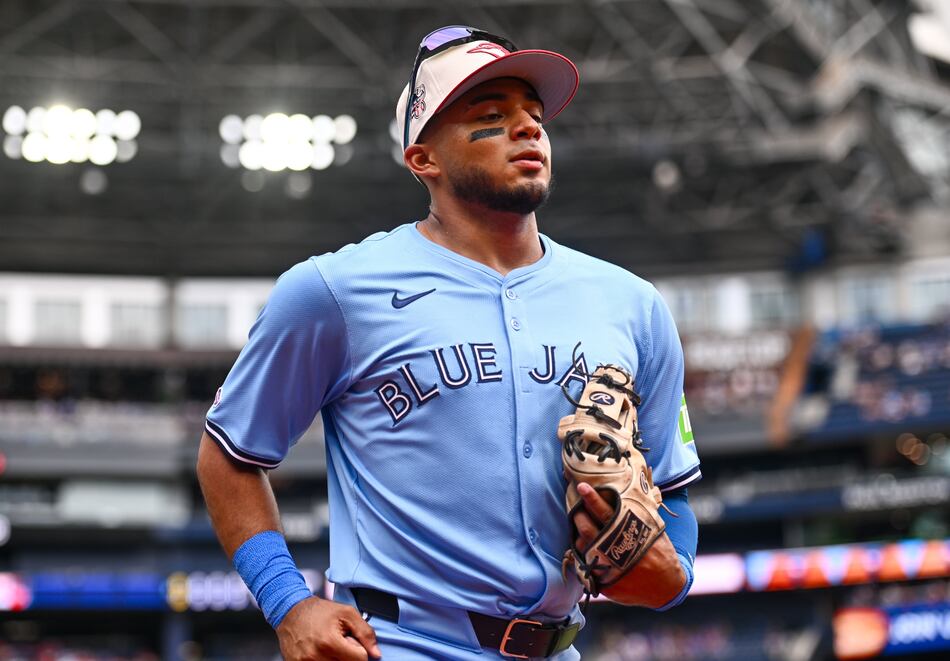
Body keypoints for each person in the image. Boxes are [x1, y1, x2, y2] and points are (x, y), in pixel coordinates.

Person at [196, 25, 701, 661]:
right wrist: (287, 603)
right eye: (490, 116)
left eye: (534, 115)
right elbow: (229, 455)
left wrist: (674, 570)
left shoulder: (633, 306)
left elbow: (675, 491)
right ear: (423, 159)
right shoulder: (333, 290)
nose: (527, 129)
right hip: (399, 643)